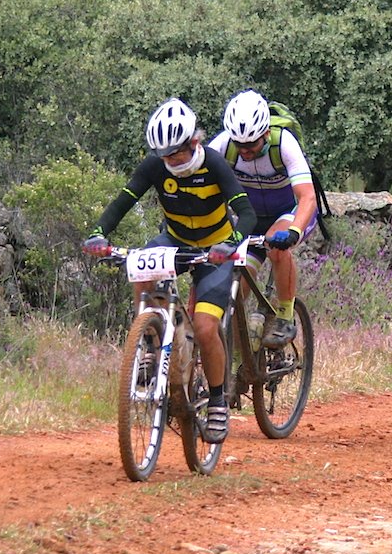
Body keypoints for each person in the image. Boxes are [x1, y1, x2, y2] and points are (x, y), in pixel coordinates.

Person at [84, 98, 258, 442]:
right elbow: (123, 201)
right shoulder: (155, 166)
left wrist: (232, 243)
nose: (170, 162)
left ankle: (219, 400)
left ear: (194, 142)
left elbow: (247, 213)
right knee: (140, 267)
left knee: (207, 327)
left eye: (175, 154)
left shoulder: (214, 163)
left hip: (215, 249)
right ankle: (151, 343)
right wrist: (98, 233)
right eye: (163, 156)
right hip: (175, 241)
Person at [207, 89, 320, 348]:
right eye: (240, 145)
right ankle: (238, 354)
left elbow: (307, 198)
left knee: (277, 250)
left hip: (288, 214)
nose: (245, 151)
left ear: (266, 134)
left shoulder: (284, 143)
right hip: (249, 217)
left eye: (252, 144)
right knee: (237, 282)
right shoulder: (224, 145)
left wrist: (293, 232)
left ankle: (285, 315)